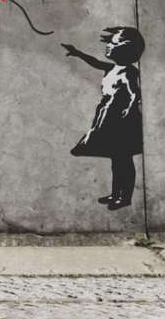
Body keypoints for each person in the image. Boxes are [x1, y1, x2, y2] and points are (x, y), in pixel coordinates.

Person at [61, 27, 144, 211]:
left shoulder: (128, 72)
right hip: (108, 114)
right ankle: (116, 194)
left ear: (125, 48)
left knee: (124, 159)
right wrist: (77, 53)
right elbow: (95, 62)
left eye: (113, 43)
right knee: (116, 160)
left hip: (121, 118)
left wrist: (128, 110)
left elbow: (134, 94)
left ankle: (125, 197)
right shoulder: (113, 68)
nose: (108, 46)